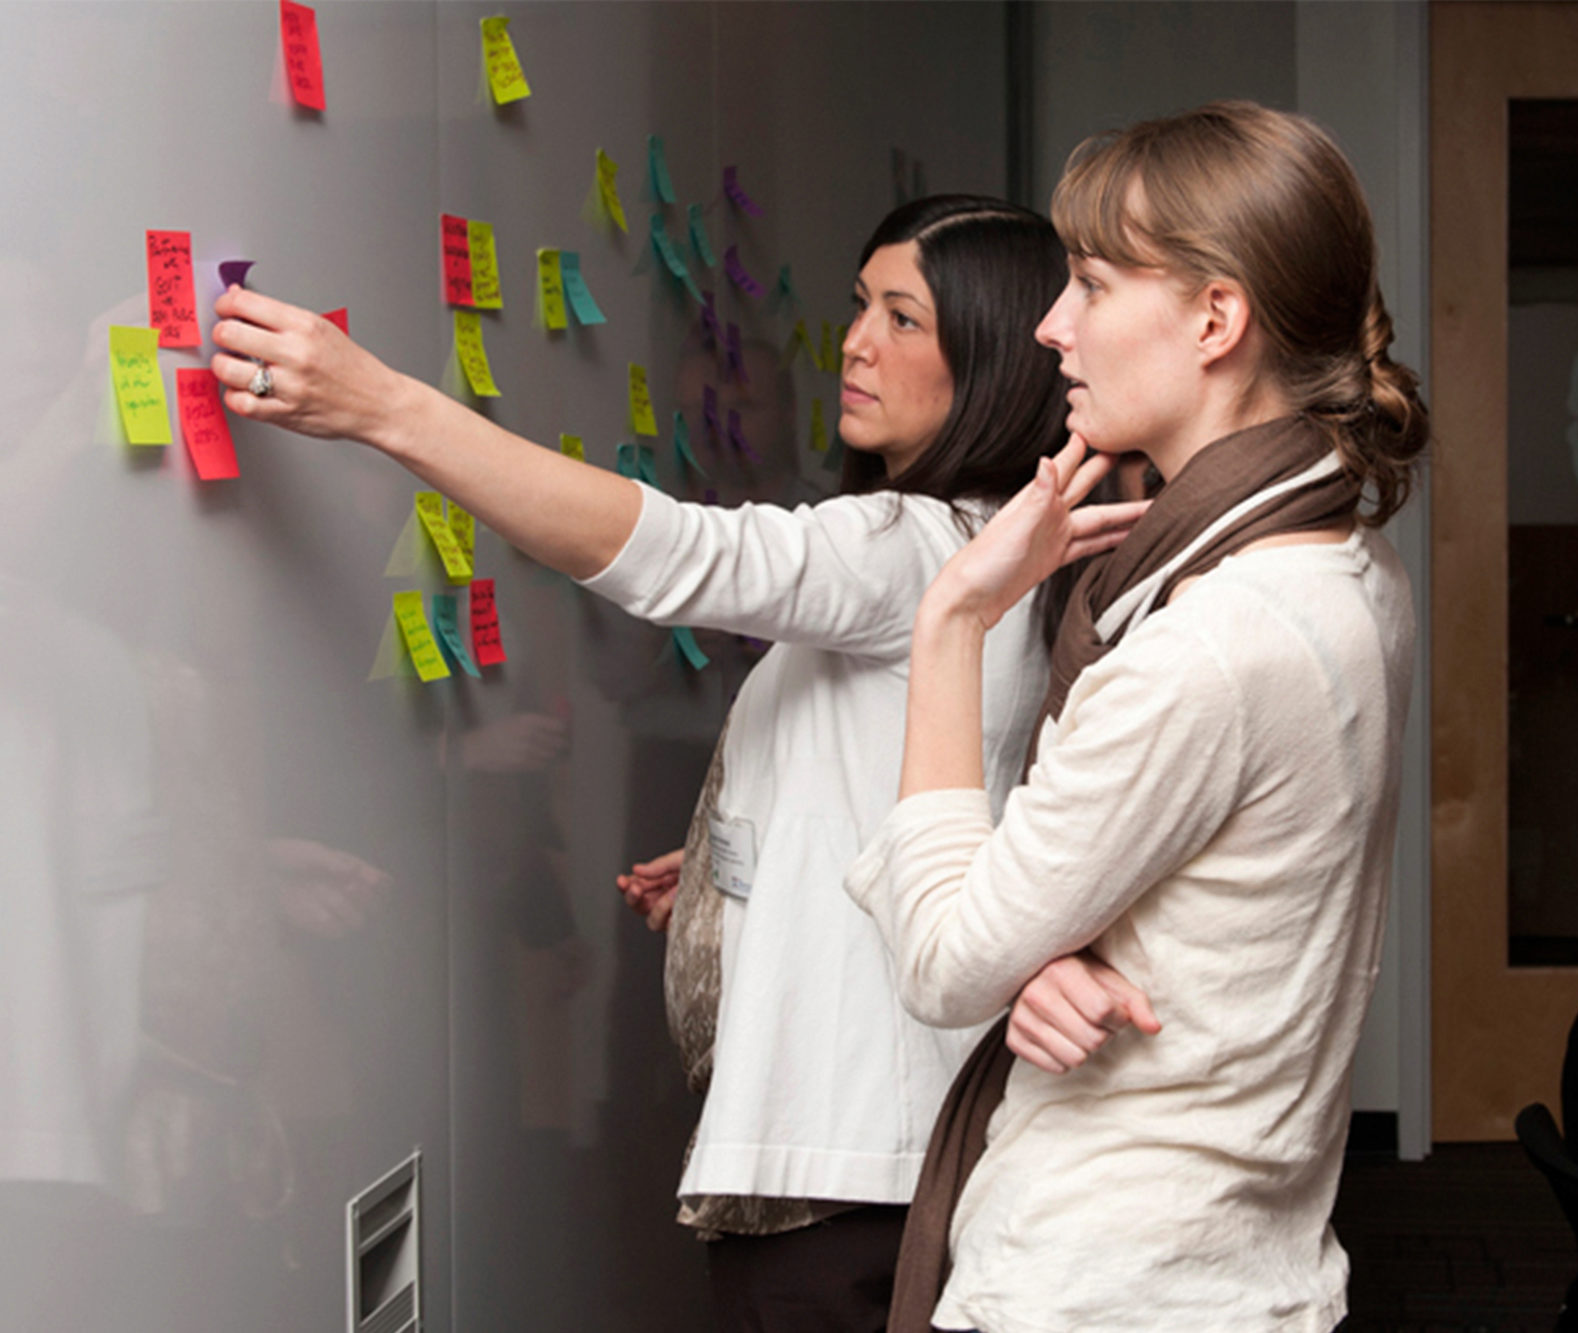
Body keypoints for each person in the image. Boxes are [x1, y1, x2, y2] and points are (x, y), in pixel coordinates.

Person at [207, 195, 1142, 1329]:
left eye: (902, 318)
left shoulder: (917, 548)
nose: (855, 343)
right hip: (887, 1153)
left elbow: (675, 557)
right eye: (858, 306)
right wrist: (727, 872)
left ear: (988, 362)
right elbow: (931, 790)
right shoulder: (994, 549)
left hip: (852, 1165)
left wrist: (384, 407)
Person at [842, 101, 1426, 1333]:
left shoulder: (1214, 640)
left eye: (1093, 283)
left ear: (1216, 320)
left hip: (1098, 1282)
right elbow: (1189, 897)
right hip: (1230, 1267)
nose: (1052, 326)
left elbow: (946, 959)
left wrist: (951, 621)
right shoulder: (1345, 571)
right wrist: (1037, 951)